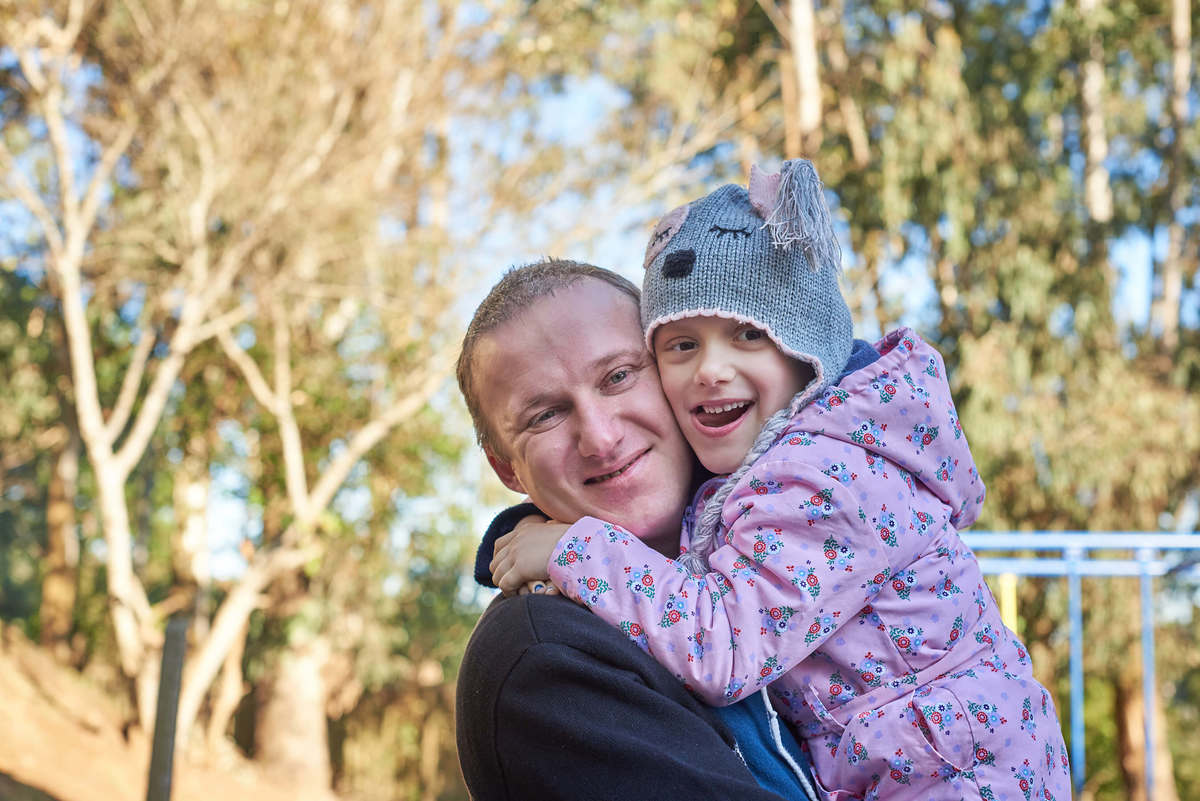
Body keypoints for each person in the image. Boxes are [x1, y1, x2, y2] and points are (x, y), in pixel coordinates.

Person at [490, 160, 1073, 801]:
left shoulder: (820, 482)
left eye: (749, 333)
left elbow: (725, 647)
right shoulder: (540, 661)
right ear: (504, 465)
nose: (712, 369)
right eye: (680, 344)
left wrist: (574, 549)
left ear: (807, 352)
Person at [454, 260, 815, 801]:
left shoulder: (797, 522)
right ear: (506, 468)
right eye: (546, 415)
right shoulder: (545, 660)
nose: (600, 439)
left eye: (619, 377)